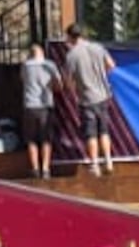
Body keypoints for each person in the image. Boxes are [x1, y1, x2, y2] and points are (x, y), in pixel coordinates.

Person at [63, 21, 118, 176]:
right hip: (103, 95)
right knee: (104, 131)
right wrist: (101, 76)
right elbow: (111, 65)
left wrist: (73, 88)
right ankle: (108, 160)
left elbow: (67, 80)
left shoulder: (71, 55)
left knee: (91, 133)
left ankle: (94, 164)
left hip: (86, 98)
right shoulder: (98, 47)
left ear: (70, 38)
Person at [20, 39, 60, 175]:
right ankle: (46, 168)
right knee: (46, 138)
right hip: (46, 105)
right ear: (42, 53)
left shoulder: (25, 66)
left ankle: (35, 167)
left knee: (31, 139)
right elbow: (58, 85)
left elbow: (22, 79)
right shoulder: (50, 65)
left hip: (30, 105)